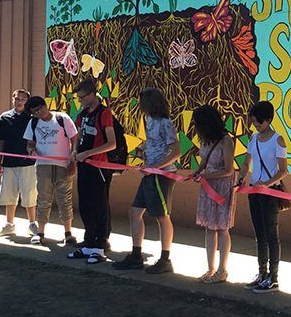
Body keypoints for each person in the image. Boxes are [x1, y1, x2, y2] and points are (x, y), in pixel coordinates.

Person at [115, 88, 181, 273]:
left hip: (162, 175)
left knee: (162, 216)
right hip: (149, 173)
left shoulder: (166, 123)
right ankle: (136, 255)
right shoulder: (150, 120)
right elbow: (154, 141)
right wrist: (142, 147)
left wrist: (156, 167)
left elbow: (176, 152)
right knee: (134, 212)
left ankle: (165, 258)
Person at [237, 100, 288, 293]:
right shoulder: (253, 139)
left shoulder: (278, 140)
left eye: (259, 122)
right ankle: (261, 274)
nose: (256, 125)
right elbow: (246, 163)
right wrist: (241, 177)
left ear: (268, 120)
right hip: (253, 191)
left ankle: (273, 278)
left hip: (269, 193)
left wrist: (265, 184)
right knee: (260, 236)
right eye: (254, 122)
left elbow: (283, 171)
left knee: (271, 236)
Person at [69, 78, 118, 263]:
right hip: (83, 164)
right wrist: (75, 151)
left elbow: (111, 143)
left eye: (82, 97)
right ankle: (88, 243)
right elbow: (79, 135)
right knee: (85, 205)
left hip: (99, 165)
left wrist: (89, 153)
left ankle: (100, 245)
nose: (79, 101)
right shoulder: (83, 113)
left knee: (100, 205)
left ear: (91, 95)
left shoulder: (104, 113)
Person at [24, 95, 78, 247]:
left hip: (64, 165)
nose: (39, 113)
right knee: (43, 198)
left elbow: (75, 140)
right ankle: (40, 233)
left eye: (40, 109)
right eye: (35, 112)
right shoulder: (33, 122)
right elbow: (29, 143)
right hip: (43, 165)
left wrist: (72, 162)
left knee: (65, 199)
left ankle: (68, 233)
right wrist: (31, 150)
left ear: (45, 105)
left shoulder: (62, 118)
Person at [191, 105, 235, 283]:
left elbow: (228, 170)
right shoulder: (206, 139)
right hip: (207, 184)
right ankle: (210, 269)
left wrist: (205, 175)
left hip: (221, 187)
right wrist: (198, 171)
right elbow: (204, 159)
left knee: (222, 228)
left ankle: (222, 270)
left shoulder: (226, 141)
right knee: (209, 227)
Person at [0, 89, 40, 239]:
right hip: (9, 163)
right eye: (17, 99)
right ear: (12, 99)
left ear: (27, 101)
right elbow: (0, 140)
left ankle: (32, 224)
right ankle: (9, 225)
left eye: (23, 99)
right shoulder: (4, 118)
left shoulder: (32, 118)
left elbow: (37, 140)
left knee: (30, 193)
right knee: (9, 193)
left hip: (28, 163)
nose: (19, 102)